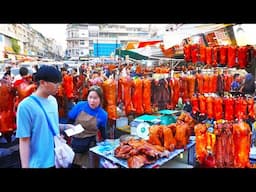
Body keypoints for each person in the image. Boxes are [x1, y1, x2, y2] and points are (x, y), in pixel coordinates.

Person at [16, 65, 76, 168]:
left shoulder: (53, 101)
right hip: (38, 163)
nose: (59, 86)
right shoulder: (25, 106)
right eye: (56, 83)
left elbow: (49, 125)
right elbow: (24, 140)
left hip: (56, 158)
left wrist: (65, 127)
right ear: (43, 83)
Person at [68, 85, 108, 168]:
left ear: (100, 99)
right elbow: (70, 121)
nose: (92, 101)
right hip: (76, 143)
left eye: (95, 98)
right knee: (74, 165)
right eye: (90, 97)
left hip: (90, 145)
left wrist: (106, 144)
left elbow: (103, 131)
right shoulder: (80, 106)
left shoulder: (103, 114)